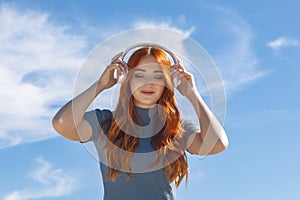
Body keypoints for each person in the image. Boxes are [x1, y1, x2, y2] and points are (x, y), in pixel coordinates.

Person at [52, 45, 228, 200]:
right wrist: (100, 85)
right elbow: (61, 123)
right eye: (140, 75)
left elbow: (217, 144)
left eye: (158, 76)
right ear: (128, 80)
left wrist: (192, 93)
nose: (148, 83)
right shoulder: (105, 122)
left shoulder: (176, 129)